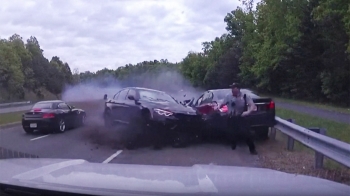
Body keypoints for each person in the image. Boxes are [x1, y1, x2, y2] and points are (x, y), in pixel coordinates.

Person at [219, 83, 258, 155]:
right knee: (231, 133)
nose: (233, 90)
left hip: (241, 117)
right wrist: (218, 108)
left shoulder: (245, 96)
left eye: (234, 88)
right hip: (231, 117)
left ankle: (252, 149)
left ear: (238, 89)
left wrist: (248, 112)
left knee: (247, 133)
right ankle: (233, 143)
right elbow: (222, 104)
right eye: (232, 88)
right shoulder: (228, 96)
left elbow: (252, 106)